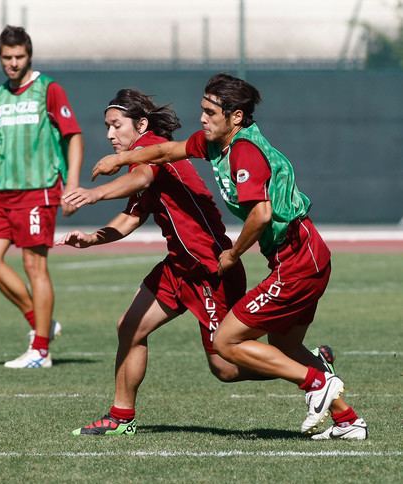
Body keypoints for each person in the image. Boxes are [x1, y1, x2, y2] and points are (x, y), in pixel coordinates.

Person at [91, 74, 367, 440]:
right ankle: (348, 420)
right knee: (283, 347)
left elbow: (261, 214)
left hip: (297, 260)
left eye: (210, 112)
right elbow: (164, 152)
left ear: (235, 117)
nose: (202, 118)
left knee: (226, 346)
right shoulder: (216, 144)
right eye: (202, 109)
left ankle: (318, 381)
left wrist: (233, 254)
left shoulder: (243, 151)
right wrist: (122, 158)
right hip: (297, 257)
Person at [0, 25, 83, 369]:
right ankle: (43, 324)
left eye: (19, 56)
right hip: (4, 192)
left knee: (34, 266)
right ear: (0, 58)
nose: (13, 63)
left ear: (29, 55)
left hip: (39, 189)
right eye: (7, 58)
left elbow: (74, 137)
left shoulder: (48, 89)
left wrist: (72, 185)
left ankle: (40, 351)